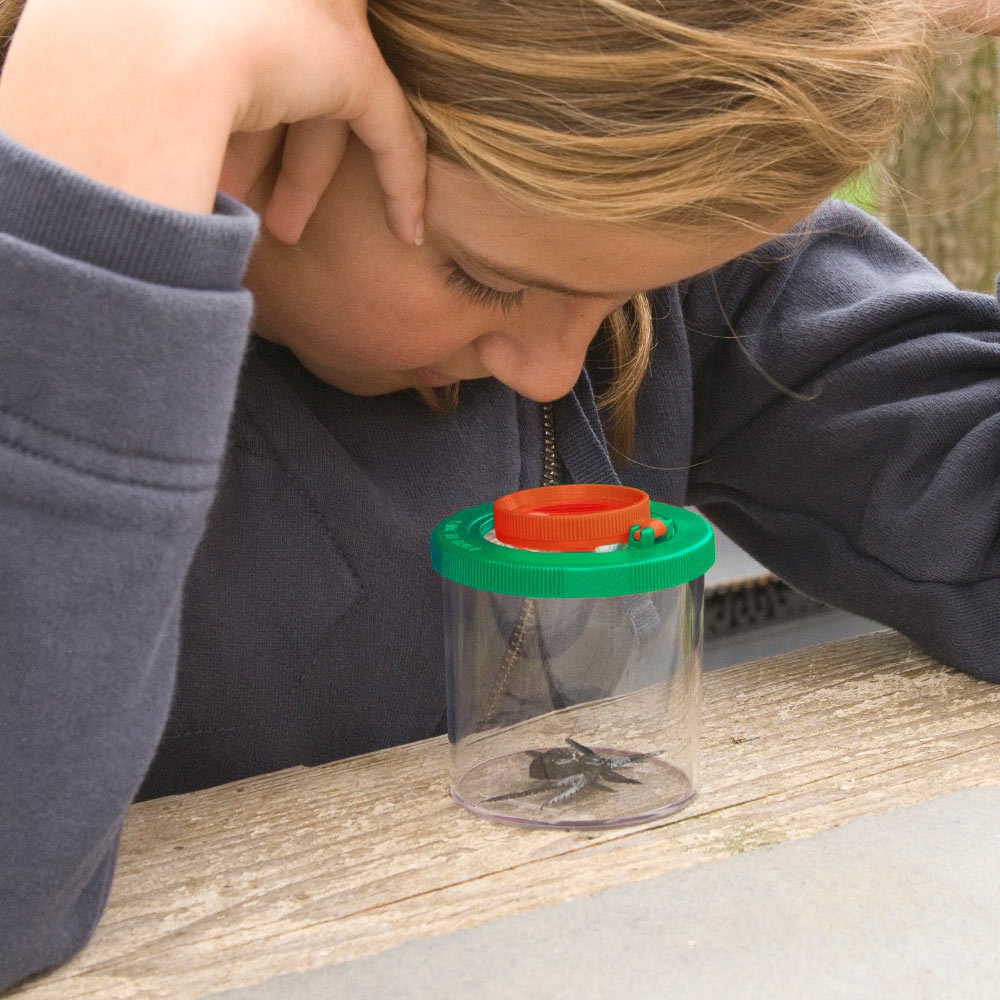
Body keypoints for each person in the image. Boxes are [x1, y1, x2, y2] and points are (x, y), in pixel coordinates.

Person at [0, 0, 997, 989]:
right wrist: (118, 97)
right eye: (482, 280)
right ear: (267, 109)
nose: (550, 369)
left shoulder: (633, 237)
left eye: (620, 296)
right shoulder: (123, 108)